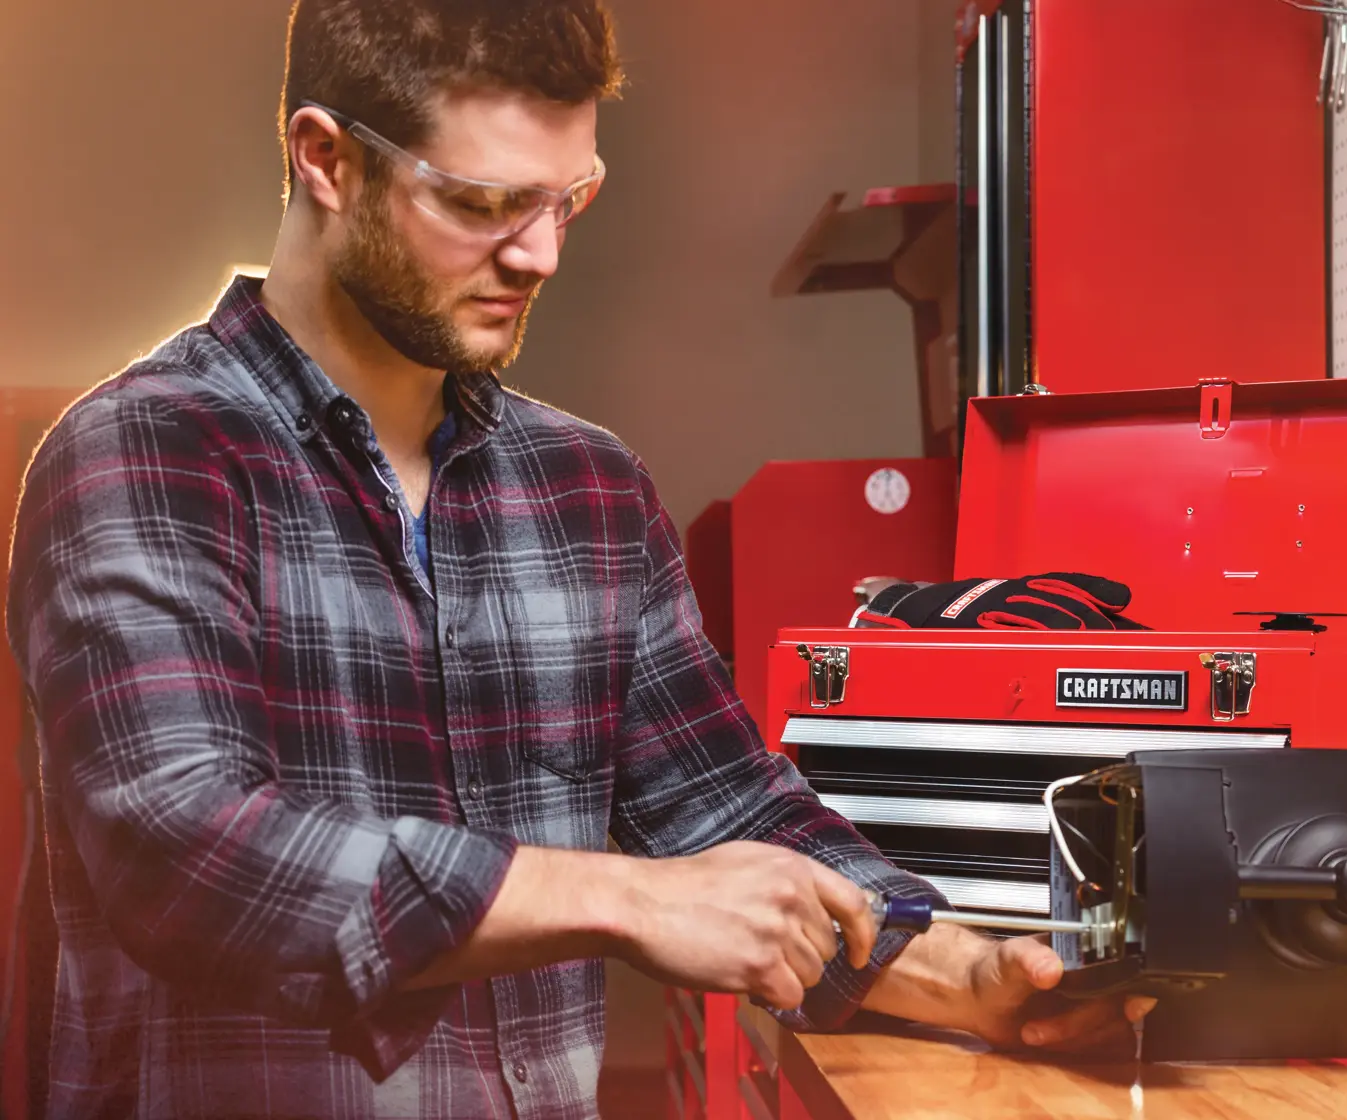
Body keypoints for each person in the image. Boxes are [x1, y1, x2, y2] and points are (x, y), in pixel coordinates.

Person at [4, 2, 1151, 1116]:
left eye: (569, 198)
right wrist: (622, 899)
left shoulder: (589, 489)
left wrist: (969, 976)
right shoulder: (141, 450)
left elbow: (724, 805)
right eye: (486, 202)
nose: (541, 253)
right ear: (325, 158)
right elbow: (186, 850)